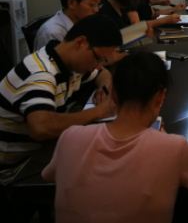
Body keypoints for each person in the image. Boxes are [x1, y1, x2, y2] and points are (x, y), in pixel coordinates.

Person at [42, 52, 188, 223]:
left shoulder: (69, 137)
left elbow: (48, 176)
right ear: (160, 97)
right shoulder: (174, 148)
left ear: (113, 95)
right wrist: (165, 142)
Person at [0, 14, 121, 171]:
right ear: (81, 43)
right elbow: (42, 127)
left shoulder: (67, 61)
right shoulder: (40, 74)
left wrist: (103, 88)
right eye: (98, 58)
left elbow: (102, 74)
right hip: (15, 168)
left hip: (41, 150)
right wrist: (99, 111)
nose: (98, 65)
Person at [34, 0, 102, 50]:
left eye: (99, 4)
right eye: (92, 4)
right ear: (72, 3)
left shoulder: (84, 23)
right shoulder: (53, 33)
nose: (97, 10)